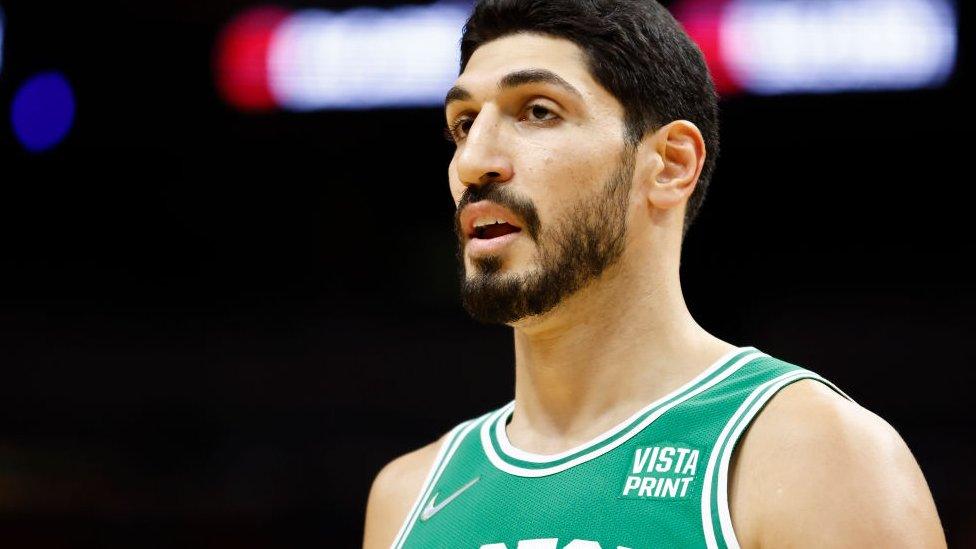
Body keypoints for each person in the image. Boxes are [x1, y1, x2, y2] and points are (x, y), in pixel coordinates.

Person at [363, 1, 946, 547]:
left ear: (670, 164)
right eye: (463, 123)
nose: (473, 160)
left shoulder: (812, 454)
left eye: (538, 112)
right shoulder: (405, 494)